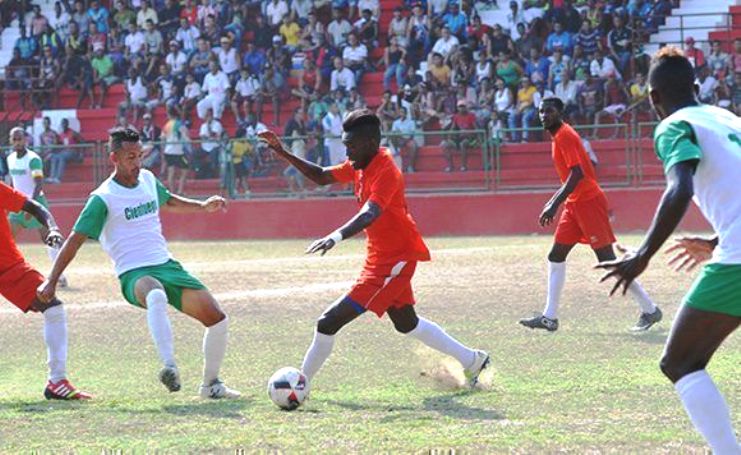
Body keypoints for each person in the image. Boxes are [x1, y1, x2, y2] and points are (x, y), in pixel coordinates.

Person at [257, 110, 490, 391]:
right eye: (345, 144)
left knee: (328, 322)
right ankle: (474, 360)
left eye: (351, 145)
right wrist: (283, 152)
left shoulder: (386, 170)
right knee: (407, 323)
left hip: (396, 259)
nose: (347, 150)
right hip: (380, 256)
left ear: (370, 142)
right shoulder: (359, 163)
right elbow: (320, 176)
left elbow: (371, 212)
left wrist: (336, 236)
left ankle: (299, 386)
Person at [597, 47, 741, 454]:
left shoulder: (674, 125)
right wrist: (715, 240)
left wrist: (641, 256)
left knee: (680, 363)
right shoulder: (728, 119)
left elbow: (680, 188)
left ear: (652, 97)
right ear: (696, 87)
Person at [38, 128, 240, 400]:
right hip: (134, 274)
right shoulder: (103, 197)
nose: (137, 163)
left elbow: (168, 200)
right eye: (130, 157)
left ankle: (211, 386)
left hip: (167, 265)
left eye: (140, 156)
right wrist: (52, 280)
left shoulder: (147, 179)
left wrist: (202, 206)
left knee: (217, 319)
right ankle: (169, 367)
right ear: (115, 158)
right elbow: (75, 240)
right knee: (155, 293)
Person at [518, 97, 662, 332]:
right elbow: (570, 178)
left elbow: (578, 174)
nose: (544, 115)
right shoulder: (557, 137)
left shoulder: (565, 135)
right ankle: (549, 317)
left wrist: (554, 203)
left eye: (549, 111)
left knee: (607, 262)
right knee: (556, 255)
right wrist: (556, 201)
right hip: (575, 205)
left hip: (588, 203)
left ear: (560, 112)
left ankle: (650, 309)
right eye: (541, 112)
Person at [0, 178, 90, 401]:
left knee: (52, 306)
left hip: (8, 266)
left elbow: (35, 207)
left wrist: (52, 228)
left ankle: (57, 381)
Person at [6, 128, 69, 287]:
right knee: (6, 239)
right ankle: (6, 272)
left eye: (20, 139)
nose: (18, 142)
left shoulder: (33, 159)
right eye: (15, 139)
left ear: (26, 140)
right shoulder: (10, 158)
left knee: (49, 239)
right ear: (10, 140)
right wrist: (8, 202)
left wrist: (31, 206)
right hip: (17, 205)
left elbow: (39, 183)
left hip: (35, 204)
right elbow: (13, 183)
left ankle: (60, 275)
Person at [162, 107, 191, 194]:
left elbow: (162, 137)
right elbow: (186, 136)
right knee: (185, 169)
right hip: (178, 152)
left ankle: (172, 192)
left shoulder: (166, 125)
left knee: (171, 172)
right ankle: (180, 191)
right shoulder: (180, 124)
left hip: (168, 152)